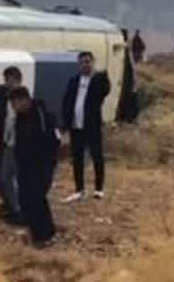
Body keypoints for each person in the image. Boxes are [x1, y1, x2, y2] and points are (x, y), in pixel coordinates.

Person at [10, 88, 59, 247]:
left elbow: (52, 141)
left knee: (37, 197)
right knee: (25, 198)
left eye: (15, 103)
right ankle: (34, 231)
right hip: (25, 164)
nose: (13, 107)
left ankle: (46, 234)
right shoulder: (20, 117)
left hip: (42, 164)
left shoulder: (41, 115)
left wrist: (45, 161)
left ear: (24, 100)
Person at [60, 51, 111, 203]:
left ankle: (99, 188)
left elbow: (105, 90)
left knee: (97, 156)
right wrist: (66, 123)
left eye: (88, 61)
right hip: (76, 126)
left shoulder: (98, 80)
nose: (85, 64)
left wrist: (102, 76)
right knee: (77, 158)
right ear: (79, 64)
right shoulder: (74, 80)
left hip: (92, 125)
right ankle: (79, 189)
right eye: (82, 62)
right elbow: (67, 101)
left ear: (93, 62)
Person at [0, 65, 25, 220]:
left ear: (16, 79)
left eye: (8, 79)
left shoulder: (23, 100)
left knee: (10, 177)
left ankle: (17, 208)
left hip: (16, 144)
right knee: (1, 176)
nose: (6, 83)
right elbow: (3, 119)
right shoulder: (5, 97)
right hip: (5, 141)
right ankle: (10, 205)